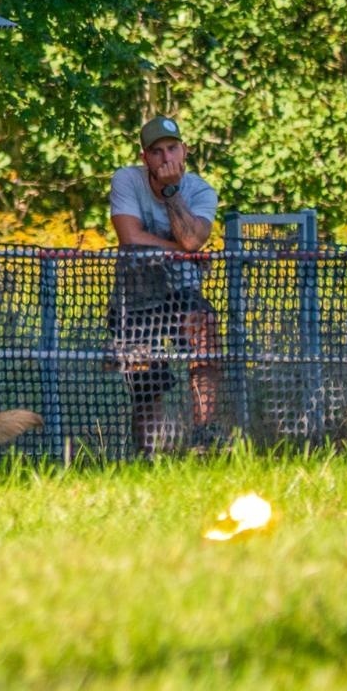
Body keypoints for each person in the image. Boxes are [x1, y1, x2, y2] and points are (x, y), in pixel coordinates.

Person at [107, 115, 221, 454]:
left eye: (173, 149)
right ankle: (150, 457)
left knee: (205, 340)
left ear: (185, 151)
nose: (166, 158)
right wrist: (184, 252)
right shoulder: (126, 180)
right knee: (147, 381)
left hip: (182, 291)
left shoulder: (200, 190)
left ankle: (203, 437)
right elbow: (130, 237)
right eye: (157, 152)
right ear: (145, 158)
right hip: (136, 296)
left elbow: (192, 240)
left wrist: (172, 193)